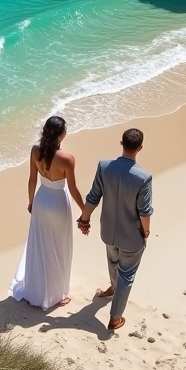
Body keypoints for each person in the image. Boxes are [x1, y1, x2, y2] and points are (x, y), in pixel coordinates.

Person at [77, 128, 153, 330]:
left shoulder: (104, 167)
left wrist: (84, 219)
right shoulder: (143, 177)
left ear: (121, 143)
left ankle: (112, 287)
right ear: (140, 148)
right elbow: (144, 212)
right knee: (126, 274)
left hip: (108, 231)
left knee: (113, 261)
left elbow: (93, 196)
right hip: (131, 236)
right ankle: (115, 317)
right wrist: (145, 232)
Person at [10, 115, 86, 310]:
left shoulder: (35, 151)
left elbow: (32, 180)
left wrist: (30, 202)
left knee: (41, 245)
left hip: (41, 200)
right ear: (60, 135)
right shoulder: (67, 159)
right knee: (59, 247)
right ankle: (56, 294)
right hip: (59, 202)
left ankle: (38, 289)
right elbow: (73, 188)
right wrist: (85, 210)